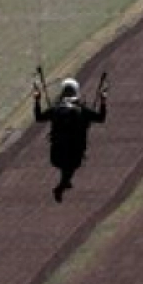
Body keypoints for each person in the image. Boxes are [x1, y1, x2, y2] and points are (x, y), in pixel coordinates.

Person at [33, 69, 108, 201]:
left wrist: (37, 100)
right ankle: (63, 183)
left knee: (67, 164)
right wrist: (103, 101)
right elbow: (101, 118)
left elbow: (39, 117)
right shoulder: (83, 110)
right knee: (71, 164)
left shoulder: (55, 109)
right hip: (75, 154)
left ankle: (64, 182)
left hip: (56, 155)